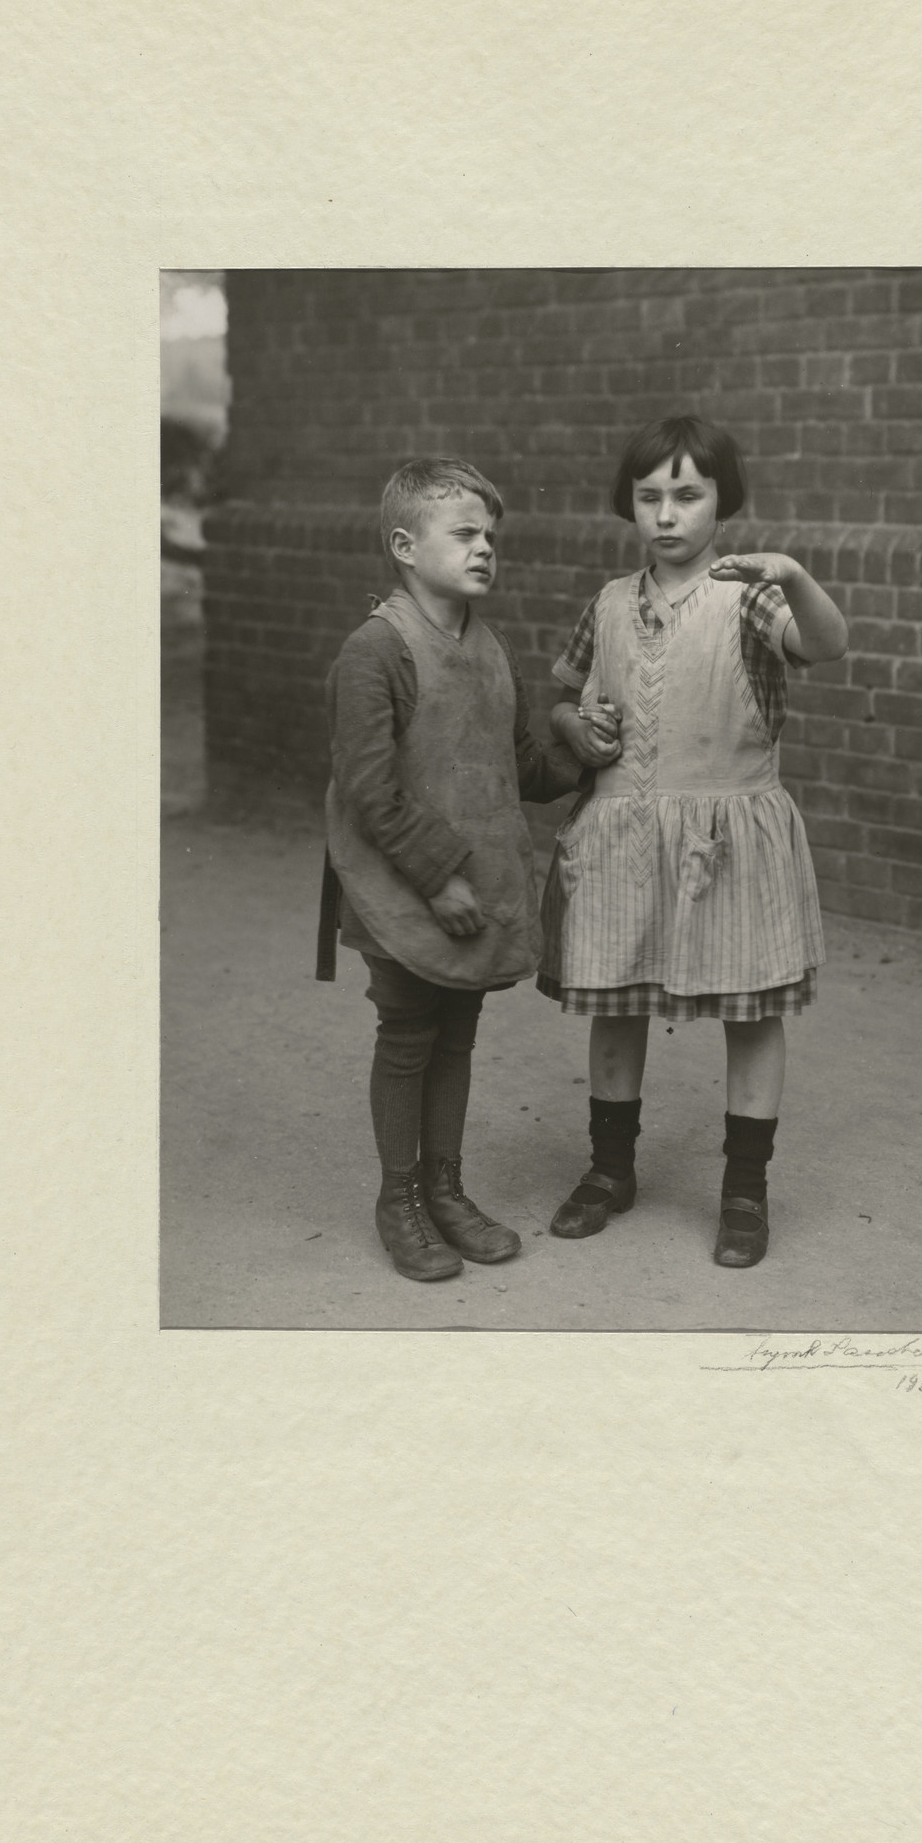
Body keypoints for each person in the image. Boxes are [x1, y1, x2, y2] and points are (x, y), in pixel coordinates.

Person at [539, 414, 848, 1267]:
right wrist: (577, 722)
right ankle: (609, 1172)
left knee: (749, 1013)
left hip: (727, 835)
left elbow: (825, 645)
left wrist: (795, 575)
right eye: (649, 497)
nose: (666, 515)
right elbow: (564, 697)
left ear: (722, 500)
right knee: (614, 1002)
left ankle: (744, 1192)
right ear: (628, 505)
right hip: (621, 836)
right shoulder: (605, 602)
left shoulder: (752, 595)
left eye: (687, 494)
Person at [321, 459, 581, 1282]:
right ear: (405, 545)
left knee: (457, 1033)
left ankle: (445, 1190)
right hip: (401, 889)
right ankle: (398, 1198)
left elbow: (523, 771)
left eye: (490, 537)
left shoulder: (489, 646)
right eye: (464, 534)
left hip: (473, 888)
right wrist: (437, 878)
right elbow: (370, 790)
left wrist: (587, 747)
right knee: (407, 1035)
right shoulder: (376, 651)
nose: (484, 550)